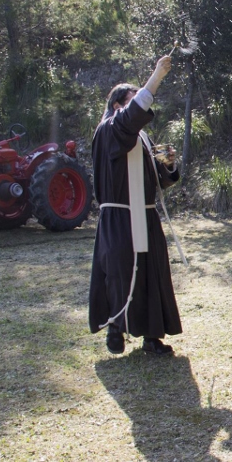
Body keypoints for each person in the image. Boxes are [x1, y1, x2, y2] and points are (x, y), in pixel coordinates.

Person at [89, 55, 182, 355]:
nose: (138, 110)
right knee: (119, 273)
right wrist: (156, 78)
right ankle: (115, 328)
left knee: (152, 274)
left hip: (146, 216)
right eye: (132, 101)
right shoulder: (108, 131)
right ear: (118, 106)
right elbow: (131, 117)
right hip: (119, 218)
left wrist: (167, 163)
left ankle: (152, 337)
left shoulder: (140, 138)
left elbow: (159, 180)